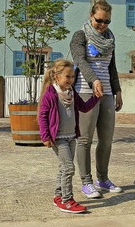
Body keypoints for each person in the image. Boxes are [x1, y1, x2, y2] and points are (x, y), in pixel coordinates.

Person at [70, 0, 123, 199]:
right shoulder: (80, 36)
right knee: (85, 139)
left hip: (107, 93)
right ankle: (86, 182)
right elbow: (80, 61)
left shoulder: (110, 39)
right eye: (99, 20)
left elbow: (112, 68)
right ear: (91, 16)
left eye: (107, 21)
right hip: (85, 91)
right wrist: (93, 81)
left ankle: (103, 178)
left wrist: (117, 91)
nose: (102, 25)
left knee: (106, 139)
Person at [38, 59, 100, 213]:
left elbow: (84, 108)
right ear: (56, 76)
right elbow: (42, 115)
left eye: (73, 77)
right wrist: (45, 136)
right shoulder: (50, 94)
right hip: (58, 138)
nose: (71, 80)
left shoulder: (72, 93)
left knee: (63, 168)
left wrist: (96, 97)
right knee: (69, 168)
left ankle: (58, 196)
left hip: (71, 137)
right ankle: (67, 200)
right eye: (68, 76)